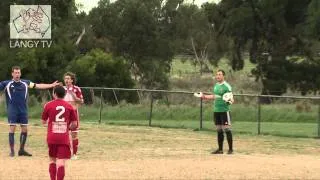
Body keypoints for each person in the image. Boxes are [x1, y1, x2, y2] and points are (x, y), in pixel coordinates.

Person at [0, 66, 60, 157]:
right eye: (15, 73)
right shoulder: (6, 83)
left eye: (18, 73)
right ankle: (12, 151)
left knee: (25, 129)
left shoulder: (25, 83)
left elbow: (38, 85)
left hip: (23, 110)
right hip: (12, 110)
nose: (17, 74)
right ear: (12, 74)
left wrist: (51, 85)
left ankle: (21, 150)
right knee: (12, 128)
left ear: (20, 74)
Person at [42, 85, 77, 180]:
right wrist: (67, 127)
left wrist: (50, 124)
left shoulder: (48, 105)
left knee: (52, 160)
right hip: (63, 138)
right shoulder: (69, 106)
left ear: (54, 94)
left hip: (51, 137)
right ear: (64, 94)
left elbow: (43, 121)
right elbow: (74, 124)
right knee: (61, 161)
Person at [201, 69, 234, 154]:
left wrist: (229, 100)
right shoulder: (216, 85)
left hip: (224, 111)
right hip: (216, 110)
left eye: (220, 74)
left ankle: (230, 150)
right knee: (219, 130)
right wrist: (204, 96)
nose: (218, 76)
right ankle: (220, 150)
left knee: (227, 129)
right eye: (217, 74)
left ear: (223, 76)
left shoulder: (227, 86)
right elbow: (214, 96)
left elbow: (232, 99)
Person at [63, 72, 84, 159]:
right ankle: (65, 153)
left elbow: (81, 101)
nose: (67, 80)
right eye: (65, 78)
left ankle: (74, 154)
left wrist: (75, 97)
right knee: (64, 134)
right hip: (64, 114)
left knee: (74, 134)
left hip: (74, 114)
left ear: (72, 80)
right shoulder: (62, 89)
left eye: (68, 78)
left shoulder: (76, 89)